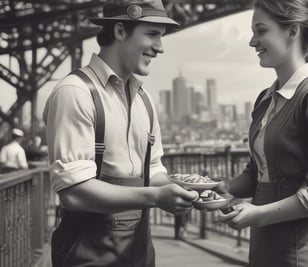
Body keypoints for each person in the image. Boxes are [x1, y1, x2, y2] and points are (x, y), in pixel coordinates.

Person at [43, 0, 198, 266]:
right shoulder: (75, 92)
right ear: (119, 31)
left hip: (140, 252)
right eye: (152, 34)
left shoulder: (145, 99)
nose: (160, 47)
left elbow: (153, 168)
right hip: (87, 254)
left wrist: (179, 189)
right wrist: (156, 197)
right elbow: (73, 192)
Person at [216, 0, 308, 266]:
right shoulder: (265, 99)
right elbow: (257, 173)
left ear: (293, 30)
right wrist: (222, 189)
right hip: (267, 245)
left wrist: (259, 215)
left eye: (261, 30)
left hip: (304, 250)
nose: (253, 41)